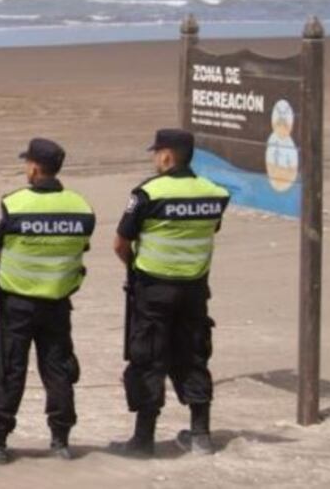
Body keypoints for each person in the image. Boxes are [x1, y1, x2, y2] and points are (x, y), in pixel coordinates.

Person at [0, 138, 96, 464]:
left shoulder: (15, 204)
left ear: (34, 168)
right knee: (58, 369)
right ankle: (60, 441)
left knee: (7, 368)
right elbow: (80, 248)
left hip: (17, 304)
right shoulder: (81, 207)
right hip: (57, 303)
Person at [112, 128, 230, 457]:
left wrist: (135, 268)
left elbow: (121, 243)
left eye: (156, 153)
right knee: (194, 355)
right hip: (194, 289)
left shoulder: (148, 192)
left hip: (153, 288)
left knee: (149, 357)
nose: (154, 159)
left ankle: (143, 440)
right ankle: (201, 435)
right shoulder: (215, 193)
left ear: (166, 156)